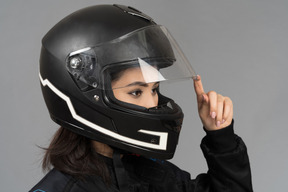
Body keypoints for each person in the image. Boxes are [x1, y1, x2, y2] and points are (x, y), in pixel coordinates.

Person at [30, 4, 253, 192]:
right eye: (136, 92)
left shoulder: (150, 172)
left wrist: (221, 137)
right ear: (89, 96)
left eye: (154, 90)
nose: (151, 104)